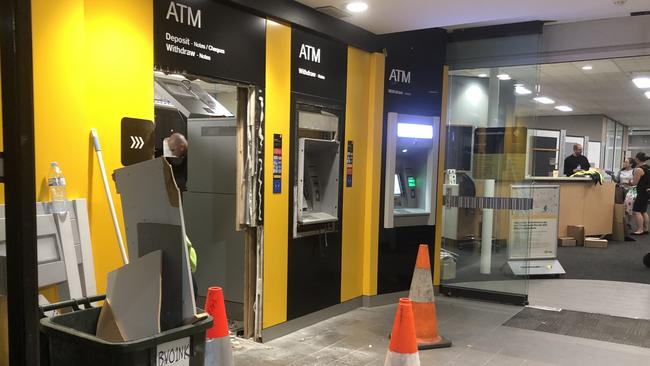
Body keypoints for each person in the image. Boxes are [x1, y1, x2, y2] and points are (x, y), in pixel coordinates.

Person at [630, 152, 650, 235]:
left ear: (638, 159)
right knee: (643, 211)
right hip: (648, 191)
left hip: (641, 192)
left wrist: (630, 181)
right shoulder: (648, 167)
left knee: (636, 210)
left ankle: (640, 229)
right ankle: (646, 229)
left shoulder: (639, 169)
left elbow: (634, 182)